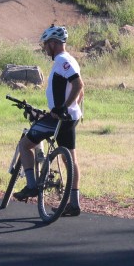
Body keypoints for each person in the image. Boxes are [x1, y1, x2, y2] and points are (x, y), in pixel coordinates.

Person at [13, 25, 84, 216]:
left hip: (58, 118)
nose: (44, 48)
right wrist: (74, 107)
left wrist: (63, 107)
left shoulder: (62, 60)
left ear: (53, 43)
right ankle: (74, 204)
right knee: (70, 159)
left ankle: (31, 185)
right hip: (70, 118)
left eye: (46, 44)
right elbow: (81, 89)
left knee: (25, 145)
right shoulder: (71, 60)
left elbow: (78, 84)